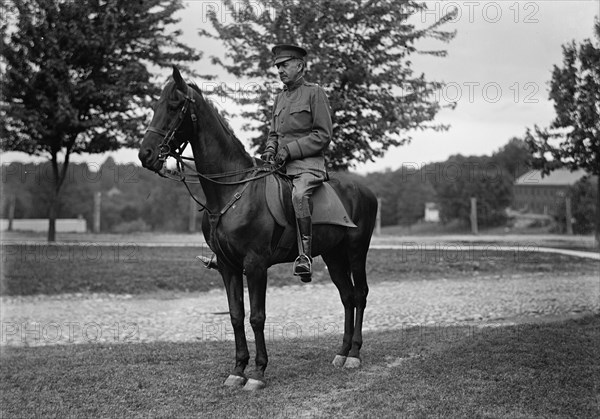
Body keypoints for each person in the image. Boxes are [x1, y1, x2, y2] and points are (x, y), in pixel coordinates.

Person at [261, 44, 333, 282]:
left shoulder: (315, 93)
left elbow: (323, 135)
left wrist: (290, 151)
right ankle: (233, 251)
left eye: (284, 65)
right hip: (279, 166)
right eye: (277, 66)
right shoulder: (279, 97)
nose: (279, 70)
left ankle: (305, 256)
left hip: (307, 166)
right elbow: (274, 133)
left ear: (300, 66)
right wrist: (271, 149)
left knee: (299, 196)